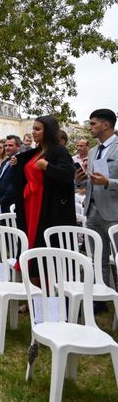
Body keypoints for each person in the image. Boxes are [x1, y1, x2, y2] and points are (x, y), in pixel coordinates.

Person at [11, 115, 76, 282]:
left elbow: (68, 175)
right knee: (30, 241)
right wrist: (15, 165)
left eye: (37, 129)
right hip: (30, 203)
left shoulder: (59, 151)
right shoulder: (37, 151)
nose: (33, 132)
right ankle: (31, 294)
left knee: (42, 243)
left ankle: (45, 293)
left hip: (46, 205)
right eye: (33, 128)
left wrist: (47, 166)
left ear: (48, 131)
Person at [76, 109, 118, 289]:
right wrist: (80, 180)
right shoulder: (93, 151)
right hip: (92, 212)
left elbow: (105, 179)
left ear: (106, 125)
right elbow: (93, 178)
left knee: (117, 258)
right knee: (97, 257)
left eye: (93, 124)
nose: (90, 127)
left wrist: (108, 182)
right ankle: (101, 297)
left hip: (114, 212)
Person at [0, 135, 21, 213]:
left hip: (11, 204)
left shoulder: (20, 161)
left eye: (10, 145)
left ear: (18, 147)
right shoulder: (5, 162)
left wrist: (1, 200)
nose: (7, 148)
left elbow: (14, 184)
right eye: (6, 145)